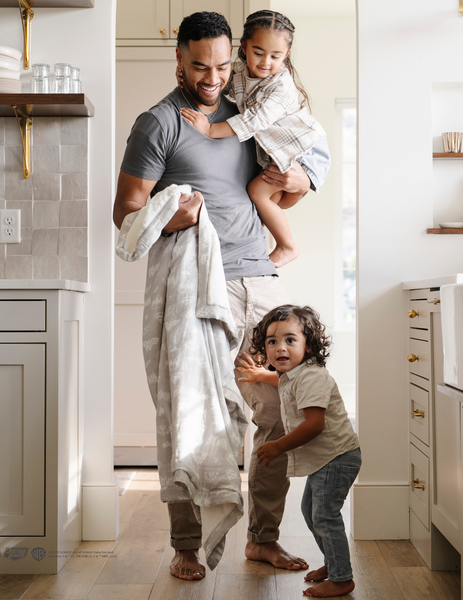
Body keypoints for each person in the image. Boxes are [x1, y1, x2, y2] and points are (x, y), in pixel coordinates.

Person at [112, 11, 331, 581]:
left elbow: (281, 188)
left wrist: (303, 182)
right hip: (196, 280)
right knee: (192, 414)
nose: (213, 78)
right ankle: (187, 544)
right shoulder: (159, 123)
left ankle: (262, 539)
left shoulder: (249, 113)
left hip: (258, 278)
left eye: (222, 65)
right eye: (199, 66)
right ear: (179, 60)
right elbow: (126, 214)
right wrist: (171, 217)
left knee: (279, 412)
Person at [180, 10, 324, 269]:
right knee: (265, 203)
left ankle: (287, 246)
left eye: (275, 56)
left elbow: (254, 120)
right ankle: (260, 244)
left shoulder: (280, 87)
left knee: (258, 192)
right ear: (244, 47)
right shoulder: (240, 70)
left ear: (286, 56)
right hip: (280, 148)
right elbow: (219, 80)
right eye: (258, 52)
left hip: (304, 149)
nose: (265, 62)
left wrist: (211, 130)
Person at [237, 305, 361, 598]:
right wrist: (259, 376)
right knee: (311, 511)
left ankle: (342, 577)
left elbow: (314, 424)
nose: (280, 347)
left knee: (324, 515)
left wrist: (279, 445)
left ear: (309, 343)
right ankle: (333, 564)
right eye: (272, 341)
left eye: (290, 340)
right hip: (325, 459)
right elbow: (280, 382)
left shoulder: (311, 377)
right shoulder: (293, 374)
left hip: (337, 458)